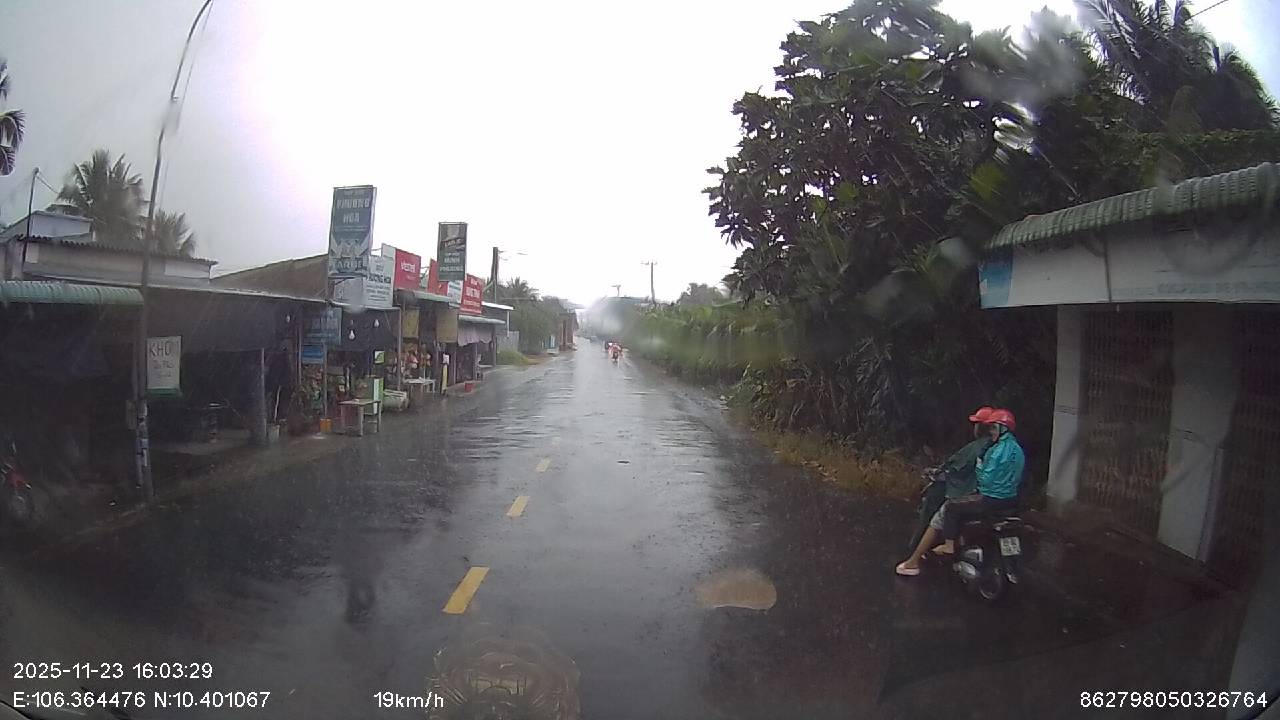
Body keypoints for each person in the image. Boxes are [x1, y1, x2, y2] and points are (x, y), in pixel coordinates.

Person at [895, 408, 1024, 577]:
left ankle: (917, 560)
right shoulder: (1016, 449)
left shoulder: (991, 449)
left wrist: (978, 467)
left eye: (993, 427)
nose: (990, 430)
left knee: (945, 511)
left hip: (983, 496)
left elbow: (975, 474)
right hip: (1010, 499)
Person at [906, 406, 995, 555]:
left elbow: (955, 468)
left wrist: (937, 472)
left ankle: (916, 554)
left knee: (933, 514)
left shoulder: (976, 448)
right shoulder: (1001, 447)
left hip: (963, 490)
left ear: (980, 427)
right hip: (990, 494)